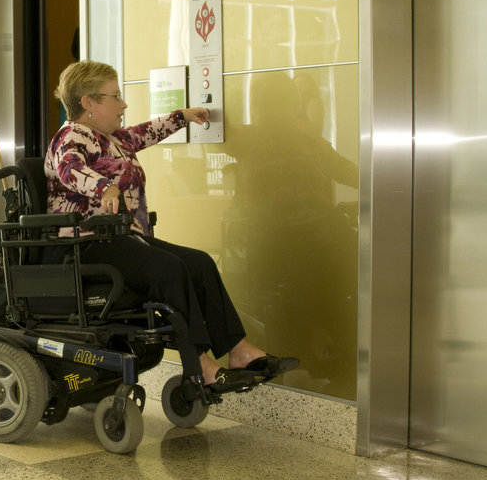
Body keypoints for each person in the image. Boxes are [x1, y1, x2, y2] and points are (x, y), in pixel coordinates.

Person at [43, 60, 299, 393]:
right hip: (87, 242)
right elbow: (69, 169)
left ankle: (240, 351)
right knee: (168, 268)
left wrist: (184, 117)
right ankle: (203, 367)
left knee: (200, 263)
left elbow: (146, 132)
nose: (123, 104)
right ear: (88, 103)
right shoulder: (70, 138)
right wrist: (104, 186)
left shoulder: (112, 138)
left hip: (122, 238)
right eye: (115, 97)